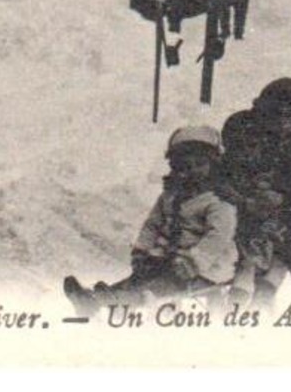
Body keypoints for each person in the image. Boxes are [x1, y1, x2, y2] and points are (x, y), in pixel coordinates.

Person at [64, 125, 238, 314]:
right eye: (185, 167)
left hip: (203, 268)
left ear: (213, 165)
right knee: (140, 277)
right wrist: (142, 249)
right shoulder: (170, 196)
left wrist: (194, 262)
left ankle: (118, 300)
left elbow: (219, 236)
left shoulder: (219, 201)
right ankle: (99, 299)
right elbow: (152, 225)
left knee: (157, 287)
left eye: (200, 164)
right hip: (167, 259)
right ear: (175, 168)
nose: (193, 171)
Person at [221, 77, 291, 308]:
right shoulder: (248, 142)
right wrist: (247, 198)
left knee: (282, 251)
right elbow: (228, 176)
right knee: (248, 257)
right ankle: (238, 298)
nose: (283, 123)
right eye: (277, 115)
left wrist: (283, 199)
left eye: (290, 116)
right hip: (244, 216)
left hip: (283, 221)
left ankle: (266, 293)